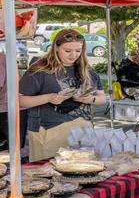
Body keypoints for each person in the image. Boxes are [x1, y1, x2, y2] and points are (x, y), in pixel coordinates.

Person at [18, 28, 107, 160]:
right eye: (68, 51)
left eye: (78, 51)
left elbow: (102, 98)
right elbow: (19, 101)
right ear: (56, 48)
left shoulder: (86, 69)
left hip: (83, 130)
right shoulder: (40, 69)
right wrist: (49, 98)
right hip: (49, 129)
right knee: (50, 173)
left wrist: (90, 99)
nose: (73, 55)